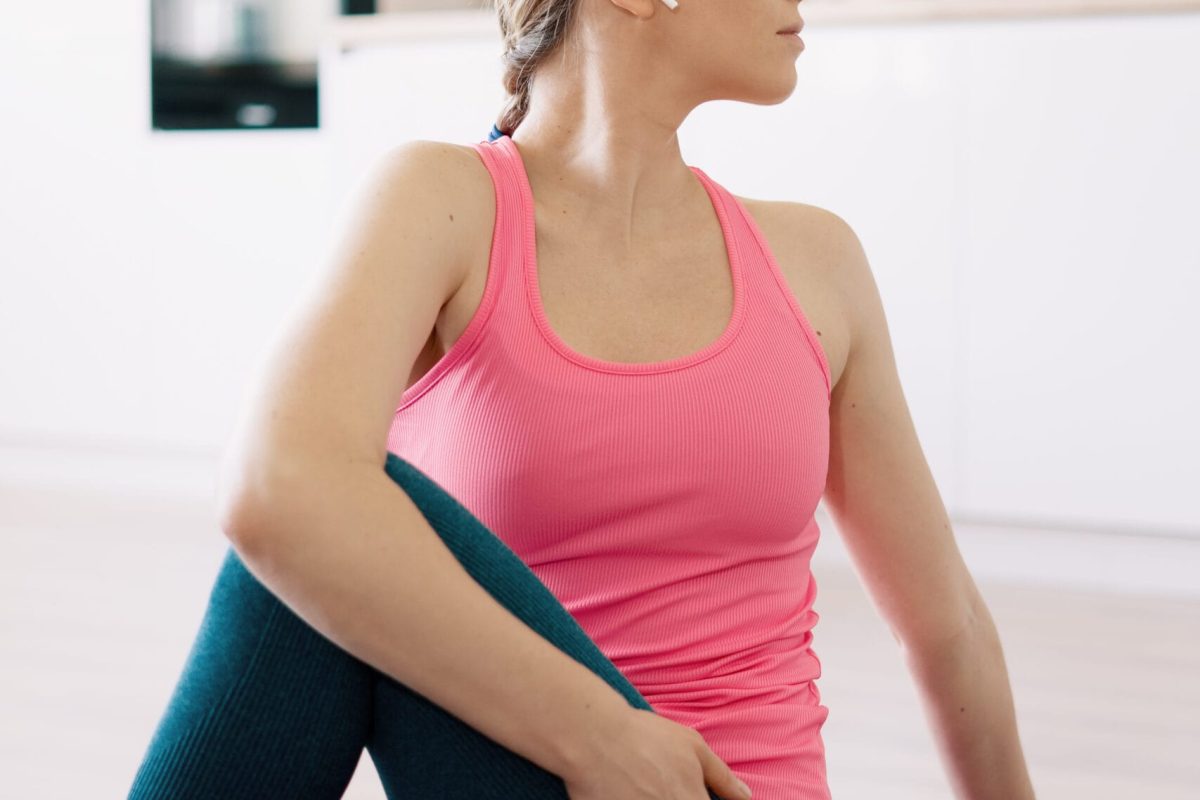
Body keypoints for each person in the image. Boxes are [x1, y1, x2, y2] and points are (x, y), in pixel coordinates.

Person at [129, 1, 1038, 799]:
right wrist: (607, 740)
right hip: (557, 770)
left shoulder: (816, 259)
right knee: (314, 520)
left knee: (326, 509)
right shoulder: (442, 204)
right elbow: (275, 488)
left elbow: (947, 625)